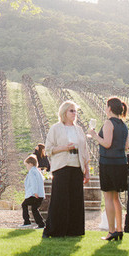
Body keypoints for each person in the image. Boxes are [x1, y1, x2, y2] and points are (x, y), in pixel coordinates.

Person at [42, 100, 90, 238]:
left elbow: (85, 151)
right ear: (64, 112)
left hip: (77, 167)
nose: (74, 113)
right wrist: (64, 148)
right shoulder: (55, 128)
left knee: (76, 199)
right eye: (71, 111)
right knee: (60, 199)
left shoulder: (79, 130)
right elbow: (48, 150)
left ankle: (74, 231)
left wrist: (86, 170)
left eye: (75, 111)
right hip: (61, 167)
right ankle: (55, 230)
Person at [88, 96, 128, 241]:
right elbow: (126, 146)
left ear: (109, 108)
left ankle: (111, 231)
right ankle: (120, 230)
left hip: (108, 163)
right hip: (121, 163)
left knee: (108, 198)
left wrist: (94, 135)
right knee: (116, 198)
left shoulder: (108, 123)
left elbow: (106, 143)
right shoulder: (123, 125)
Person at [18, 154, 45, 228]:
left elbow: (34, 182)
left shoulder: (32, 172)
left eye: (26, 165)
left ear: (30, 164)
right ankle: (41, 224)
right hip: (40, 194)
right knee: (34, 209)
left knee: (24, 205)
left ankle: (27, 222)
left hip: (34, 195)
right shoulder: (38, 172)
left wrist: (35, 192)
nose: (26, 167)